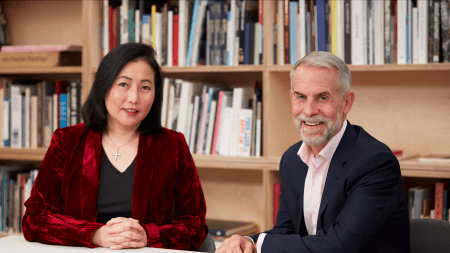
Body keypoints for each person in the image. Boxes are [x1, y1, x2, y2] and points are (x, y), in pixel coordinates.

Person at [216, 51, 410, 253]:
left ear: (346, 103)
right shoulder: (292, 159)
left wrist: (260, 246)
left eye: (322, 98)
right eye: (301, 97)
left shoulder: (375, 163)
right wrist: (245, 242)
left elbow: (338, 246)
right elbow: (287, 231)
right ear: (292, 98)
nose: (309, 111)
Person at [22, 43, 208, 251]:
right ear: (104, 86)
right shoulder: (67, 141)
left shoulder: (173, 145)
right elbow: (34, 218)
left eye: (145, 87)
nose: (134, 98)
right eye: (123, 84)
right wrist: (95, 234)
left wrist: (147, 236)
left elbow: (195, 225)